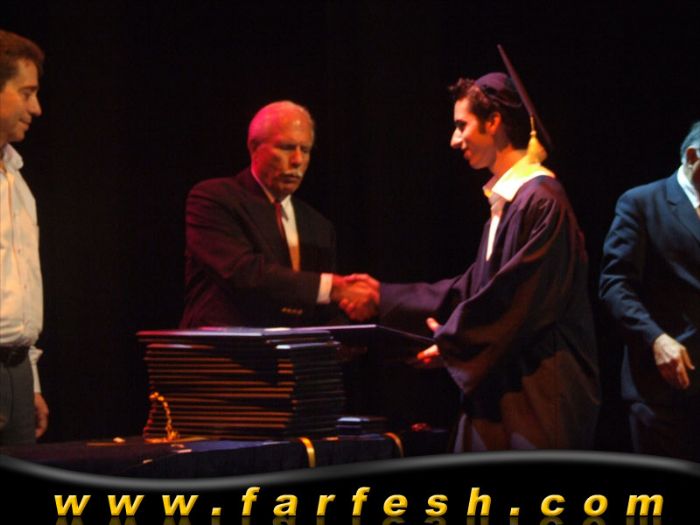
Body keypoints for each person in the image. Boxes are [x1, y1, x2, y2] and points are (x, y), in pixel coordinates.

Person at [349, 72, 600, 451]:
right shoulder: (510, 204)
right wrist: (381, 297)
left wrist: (454, 344)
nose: (454, 140)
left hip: (538, 398)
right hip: (500, 394)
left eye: (461, 125)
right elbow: (470, 290)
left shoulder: (543, 200)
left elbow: (518, 300)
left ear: (494, 121)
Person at [181, 100, 377, 328]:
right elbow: (244, 273)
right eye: (286, 147)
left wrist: (358, 309)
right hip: (223, 347)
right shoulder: (214, 199)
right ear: (254, 147)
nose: (297, 160)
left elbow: (322, 308)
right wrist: (333, 288)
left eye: (305, 150)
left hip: (293, 350)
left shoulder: (319, 226)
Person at [599, 121, 700, 462]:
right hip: (661, 392)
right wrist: (656, 339)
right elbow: (615, 284)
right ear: (692, 156)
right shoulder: (642, 202)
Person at [0, 29, 49, 445]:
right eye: (26, 93)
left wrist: (29, 379)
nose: (36, 108)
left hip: (14, 372)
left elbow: (21, 289)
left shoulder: (17, 181)